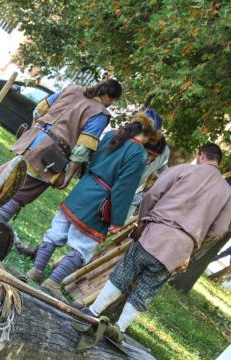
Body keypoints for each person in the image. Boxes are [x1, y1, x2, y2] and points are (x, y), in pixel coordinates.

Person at [88, 143, 231, 336]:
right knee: (147, 289)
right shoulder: (226, 193)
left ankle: (92, 312)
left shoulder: (182, 170)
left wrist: (143, 221)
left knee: (124, 273)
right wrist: (194, 239)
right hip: (180, 250)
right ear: (217, 161)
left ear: (201, 155)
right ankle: (119, 329)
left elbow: (152, 195)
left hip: (154, 232)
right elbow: (220, 229)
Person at [26, 112, 161, 299]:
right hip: (99, 202)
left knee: (56, 231)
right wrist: (116, 220)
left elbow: (92, 162)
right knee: (83, 247)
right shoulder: (138, 154)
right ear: (152, 135)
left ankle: (36, 270)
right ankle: (53, 282)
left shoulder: (111, 135)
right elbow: (123, 189)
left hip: (83, 189)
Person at [0, 79, 122, 222]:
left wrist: (35, 133)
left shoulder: (72, 89)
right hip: (48, 158)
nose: (111, 104)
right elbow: (82, 150)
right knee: (20, 194)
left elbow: (39, 110)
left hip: (28, 144)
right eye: (114, 100)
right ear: (111, 97)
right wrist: (68, 176)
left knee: (5, 183)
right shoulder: (100, 114)